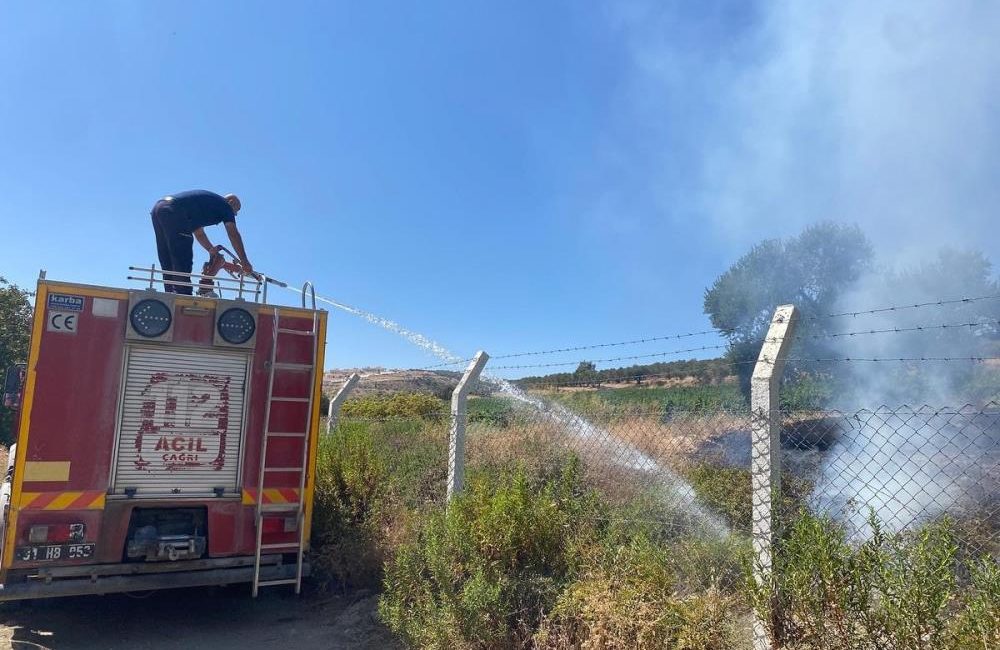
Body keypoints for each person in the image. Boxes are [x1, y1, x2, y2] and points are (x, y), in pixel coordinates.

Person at [150, 190, 254, 294]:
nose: (235, 214)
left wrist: (210, 250)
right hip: (175, 211)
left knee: (167, 257)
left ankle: (170, 295)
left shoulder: (207, 204)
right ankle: (183, 296)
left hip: (159, 208)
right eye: (236, 210)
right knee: (182, 258)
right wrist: (244, 261)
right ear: (231, 202)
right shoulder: (225, 206)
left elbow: (199, 233)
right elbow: (233, 233)